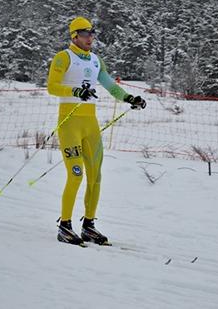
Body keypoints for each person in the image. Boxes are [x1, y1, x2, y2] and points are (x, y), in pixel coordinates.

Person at [47, 16, 146, 246]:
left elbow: (110, 85)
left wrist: (130, 98)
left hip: (90, 124)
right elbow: (52, 87)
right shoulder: (64, 57)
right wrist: (76, 92)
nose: (90, 37)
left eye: (92, 33)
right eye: (85, 33)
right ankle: (65, 226)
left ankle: (88, 226)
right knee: (76, 174)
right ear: (74, 36)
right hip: (69, 123)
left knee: (96, 176)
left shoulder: (95, 60)